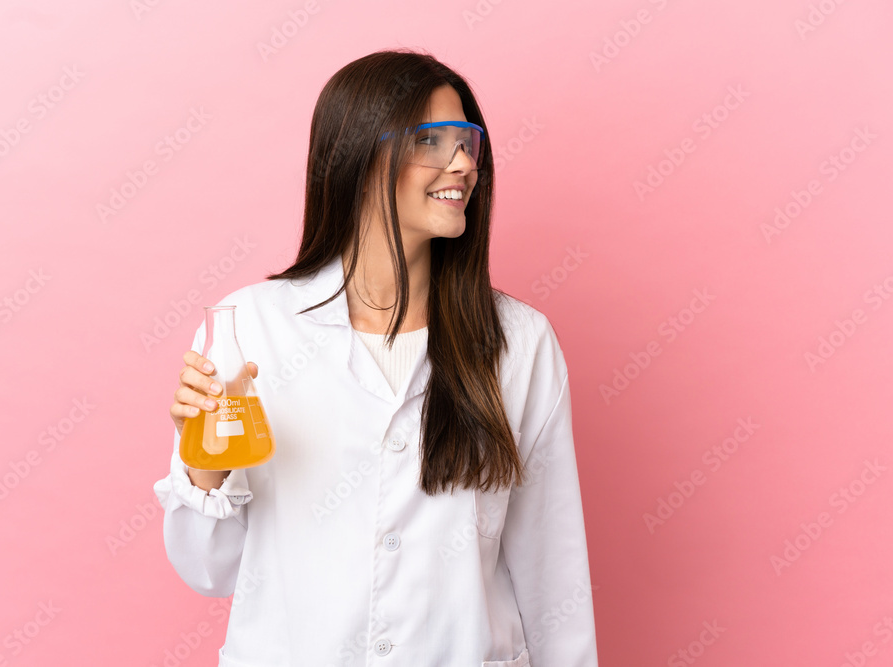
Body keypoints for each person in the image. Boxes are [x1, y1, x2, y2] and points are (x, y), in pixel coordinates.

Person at [153, 48, 599, 667]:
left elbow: (554, 579)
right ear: (358, 158)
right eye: (430, 140)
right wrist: (203, 465)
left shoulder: (520, 343)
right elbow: (208, 570)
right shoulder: (251, 328)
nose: (462, 164)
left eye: (466, 142)